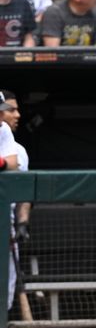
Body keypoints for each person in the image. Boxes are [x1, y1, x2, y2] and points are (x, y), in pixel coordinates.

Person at [0, 90, 29, 314]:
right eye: (11, 110)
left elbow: (11, 164)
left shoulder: (5, 134)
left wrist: (22, 223)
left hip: (4, 222)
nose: (15, 115)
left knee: (5, 290)